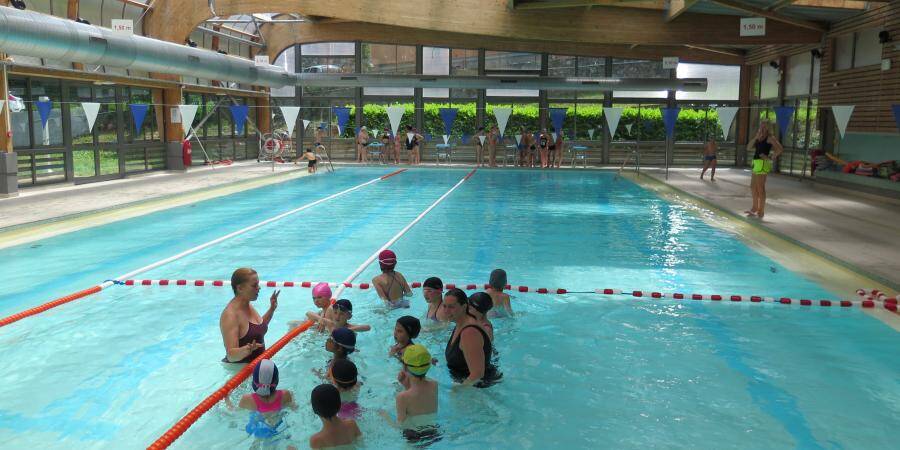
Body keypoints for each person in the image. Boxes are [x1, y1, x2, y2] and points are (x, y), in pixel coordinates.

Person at [381, 344, 440, 444]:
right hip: (434, 433)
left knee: (381, 412)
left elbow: (400, 426)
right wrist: (405, 384)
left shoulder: (402, 397)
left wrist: (384, 416)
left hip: (413, 437)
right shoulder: (435, 385)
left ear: (404, 367)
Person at [442, 288, 500, 388]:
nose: (446, 311)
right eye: (444, 306)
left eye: (451, 307)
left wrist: (457, 390)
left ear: (464, 307)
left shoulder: (469, 332)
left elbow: (477, 375)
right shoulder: (460, 323)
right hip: (465, 382)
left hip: (476, 390)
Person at [220, 268, 279, 363]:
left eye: (258, 284)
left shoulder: (247, 305)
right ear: (240, 288)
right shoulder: (231, 315)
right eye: (254, 285)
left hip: (256, 367)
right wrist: (246, 350)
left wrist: (271, 309)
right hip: (240, 372)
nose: (259, 288)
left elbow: (258, 327)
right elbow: (231, 355)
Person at [237, 359, 297, 441]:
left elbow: (234, 412)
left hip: (259, 430)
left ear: (254, 380)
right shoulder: (285, 394)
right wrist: (292, 396)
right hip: (279, 428)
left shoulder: (247, 399)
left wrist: (227, 399)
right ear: (277, 380)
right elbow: (294, 408)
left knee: (257, 440)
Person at [745, 121, 783, 219]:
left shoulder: (770, 138)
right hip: (756, 163)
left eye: (764, 127)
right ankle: (754, 207)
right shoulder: (758, 137)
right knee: (753, 187)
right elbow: (748, 148)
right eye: (761, 126)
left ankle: (761, 211)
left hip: (762, 164)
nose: (762, 128)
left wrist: (770, 157)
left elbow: (779, 149)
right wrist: (755, 138)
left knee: (760, 188)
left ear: (768, 128)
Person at [309, 384, 362, 449]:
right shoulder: (351, 424)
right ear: (339, 405)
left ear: (314, 410)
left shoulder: (316, 440)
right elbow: (361, 444)